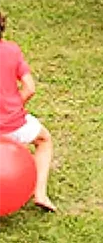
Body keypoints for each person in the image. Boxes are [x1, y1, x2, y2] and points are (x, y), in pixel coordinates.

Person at [0, 11, 56, 212]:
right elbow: (30, 88)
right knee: (44, 140)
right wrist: (15, 106)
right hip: (15, 126)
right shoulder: (12, 51)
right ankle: (40, 193)